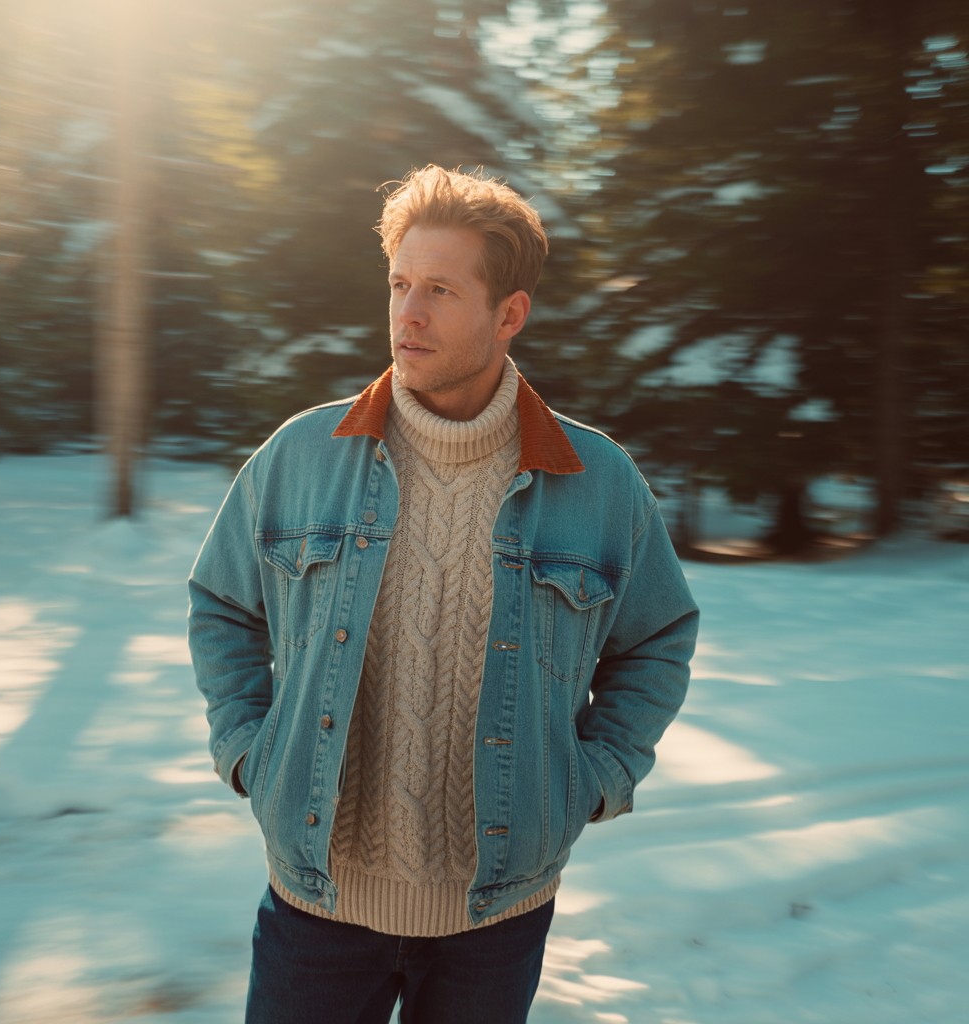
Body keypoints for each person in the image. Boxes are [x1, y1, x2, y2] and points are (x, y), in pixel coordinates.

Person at [188, 165, 699, 1024]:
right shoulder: (299, 457)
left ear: (508, 315)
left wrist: (595, 776)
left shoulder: (599, 482)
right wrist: (250, 746)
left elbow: (658, 637)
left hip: (495, 919)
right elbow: (223, 606)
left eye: (439, 289)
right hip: (317, 906)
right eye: (397, 283)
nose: (407, 312)